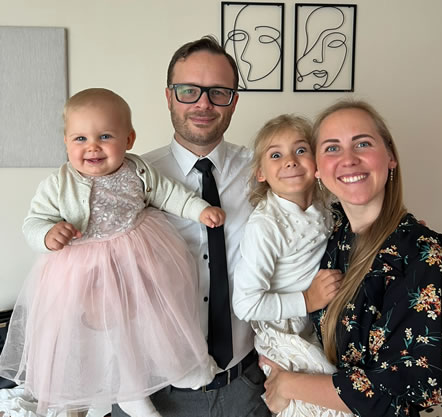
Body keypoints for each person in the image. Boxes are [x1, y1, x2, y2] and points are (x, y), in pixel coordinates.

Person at [0, 88, 225, 417]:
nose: (92, 146)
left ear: (129, 139)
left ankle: (180, 364)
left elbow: (169, 194)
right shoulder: (57, 183)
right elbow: (33, 221)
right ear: (66, 142)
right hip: (86, 269)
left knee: (160, 313)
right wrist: (48, 234)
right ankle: (128, 391)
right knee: (107, 331)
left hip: (137, 257)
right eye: (80, 138)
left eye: (105, 136)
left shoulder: (138, 170)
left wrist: (200, 210)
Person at [261, 100, 442, 417]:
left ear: (390, 157)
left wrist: (288, 385)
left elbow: (397, 394)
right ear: (317, 168)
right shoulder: (325, 232)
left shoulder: (423, 256)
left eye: (362, 143)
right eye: (332, 148)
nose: (348, 159)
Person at [125, 36, 271, 417]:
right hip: (154, 393)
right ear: (169, 96)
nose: (203, 104)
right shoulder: (131, 179)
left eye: (218, 92)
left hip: (246, 388)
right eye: (189, 90)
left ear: (234, 101)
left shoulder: (265, 172)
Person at [232, 114, 351, 417]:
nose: (290, 161)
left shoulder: (327, 207)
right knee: (327, 405)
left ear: (317, 162)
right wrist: (307, 299)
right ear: (260, 173)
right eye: (276, 155)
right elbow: (245, 304)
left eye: (300, 150)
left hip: (314, 325)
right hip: (281, 330)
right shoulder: (266, 225)